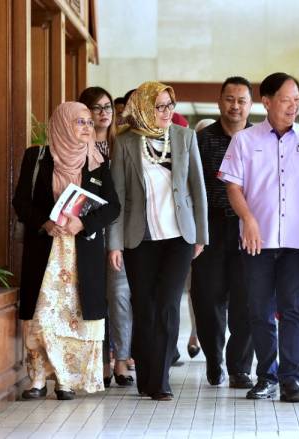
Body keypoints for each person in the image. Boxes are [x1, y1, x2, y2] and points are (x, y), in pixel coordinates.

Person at [219, 72, 299, 403]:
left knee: (292, 309)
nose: (294, 105)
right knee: (260, 311)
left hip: (296, 241)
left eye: (297, 99)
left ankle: (291, 378)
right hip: (257, 241)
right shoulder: (245, 141)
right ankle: (267, 376)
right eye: (286, 99)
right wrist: (247, 218)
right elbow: (232, 185)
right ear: (266, 102)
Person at [108, 81, 208, 401]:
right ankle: (147, 376)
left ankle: (161, 378)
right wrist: (114, 243)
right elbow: (119, 196)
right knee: (145, 306)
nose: (167, 112)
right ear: (143, 108)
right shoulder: (124, 143)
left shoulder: (184, 137)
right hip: (141, 237)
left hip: (179, 236)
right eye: (159, 106)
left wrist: (201, 235)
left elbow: (197, 189)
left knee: (166, 305)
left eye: (169, 105)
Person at [13, 102, 120, 400]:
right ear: (62, 124)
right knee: (42, 314)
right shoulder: (36, 157)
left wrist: (83, 223)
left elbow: (113, 206)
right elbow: (21, 201)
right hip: (45, 250)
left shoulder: (98, 162)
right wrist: (45, 223)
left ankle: (66, 381)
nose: (87, 128)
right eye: (80, 122)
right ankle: (36, 379)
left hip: (81, 253)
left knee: (75, 316)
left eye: (88, 122)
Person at [191, 77, 255, 388]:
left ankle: (240, 367)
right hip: (210, 227)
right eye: (230, 99)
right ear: (219, 102)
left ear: (251, 105)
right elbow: (192, 189)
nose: (235, 106)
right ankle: (214, 359)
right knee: (207, 298)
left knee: (246, 299)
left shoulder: (260, 139)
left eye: (241, 100)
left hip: (249, 227)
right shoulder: (202, 141)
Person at [79, 86, 135, 388]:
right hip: (85, 231)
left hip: (118, 231)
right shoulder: (76, 146)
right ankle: (100, 360)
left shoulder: (120, 145)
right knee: (93, 296)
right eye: (96, 108)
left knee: (119, 295)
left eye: (107, 107)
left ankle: (122, 359)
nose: (103, 113)